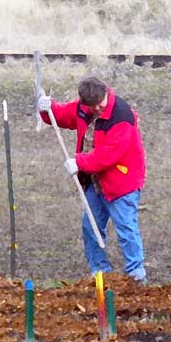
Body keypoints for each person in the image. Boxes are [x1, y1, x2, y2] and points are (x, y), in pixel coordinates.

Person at [38, 76, 147, 283]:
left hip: (121, 183)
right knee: (91, 227)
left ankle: (136, 275)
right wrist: (46, 108)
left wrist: (78, 162)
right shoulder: (84, 108)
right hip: (95, 183)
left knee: (126, 229)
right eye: (92, 105)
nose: (97, 108)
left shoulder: (122, 117)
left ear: (106, 93)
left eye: (100, 103)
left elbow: (107, 155)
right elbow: (61, 115)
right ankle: (100, 272)